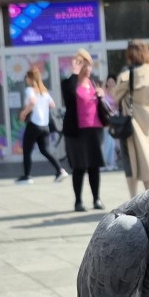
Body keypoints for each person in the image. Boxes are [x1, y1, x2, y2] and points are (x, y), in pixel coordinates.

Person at [114, 40, 149, 197]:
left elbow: (114, 95)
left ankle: (133, 198)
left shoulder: (128, 74)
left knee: (132, 163)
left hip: (132, 122)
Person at [61, 50, 107, 212]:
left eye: (89, 65)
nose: (87, 69)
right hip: (76, 132)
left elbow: (104, 103)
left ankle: (96, 199)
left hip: (94, 129)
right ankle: (78, 201)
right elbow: (68, 97)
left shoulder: (94, 83)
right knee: (79, 167)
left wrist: (102, 95)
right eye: (83, 65)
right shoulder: (69, 83)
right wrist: (74, 75)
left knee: (94, 165)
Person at [15, 66, 65, 184]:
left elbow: (32, 102)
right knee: (45, 150)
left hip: (34, 124)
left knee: (27, 150)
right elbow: (52, 105)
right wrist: (42, 107)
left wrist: (24, 113)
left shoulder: (30, 90)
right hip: (45, 126)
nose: (25, 79)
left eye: (27, 77)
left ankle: (27, 176)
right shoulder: (44, 92)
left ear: (31, 78)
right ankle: (60, 170)